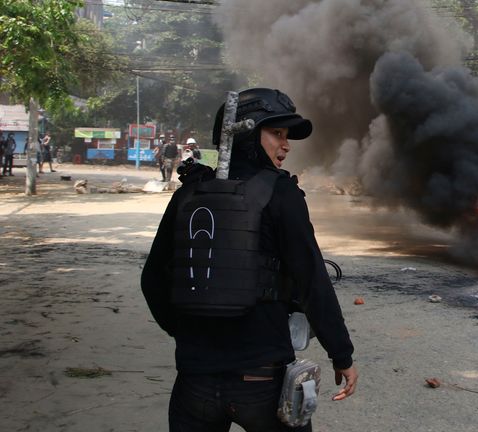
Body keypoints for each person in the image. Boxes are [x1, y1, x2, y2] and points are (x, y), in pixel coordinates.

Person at [141, 87, 357, 432]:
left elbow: (152, 279)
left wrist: (187, 333)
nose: (286, 145)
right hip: (262, 383)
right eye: (276, 133)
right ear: (248, 133)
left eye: (287, 136)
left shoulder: (188, 194)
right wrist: (341, 354)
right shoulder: (281, 194)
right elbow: (312, 281)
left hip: (194, 381)